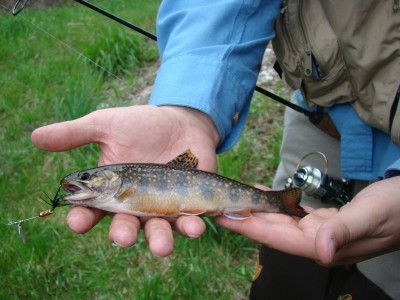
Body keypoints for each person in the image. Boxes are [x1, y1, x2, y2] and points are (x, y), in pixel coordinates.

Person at [31, 1, 400, 299]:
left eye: (86, 178)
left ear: (108, 181)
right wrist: (187, 106)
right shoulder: (116, 189)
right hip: (324, 111)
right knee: (286, 273)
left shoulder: (122, 188)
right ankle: (281, 206)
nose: (79, 183)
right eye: (83, 180)